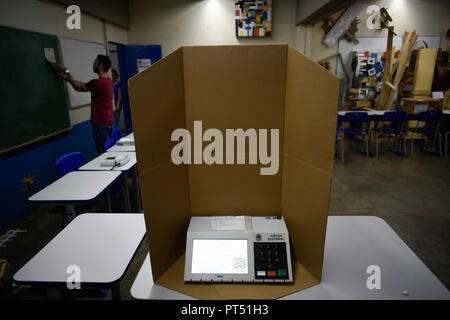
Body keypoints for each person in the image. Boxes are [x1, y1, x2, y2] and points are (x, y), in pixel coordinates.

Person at [55, 55, 114, 154]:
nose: (93, 64)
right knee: (109, 151)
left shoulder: (97, 83)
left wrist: (67, 71)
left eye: (95, 62)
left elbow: (78, 87)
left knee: (103, 154)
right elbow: (81, 84)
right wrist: (67, 78)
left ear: (100, 65)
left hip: (100, 123)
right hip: (109, 121)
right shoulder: (109, 82)